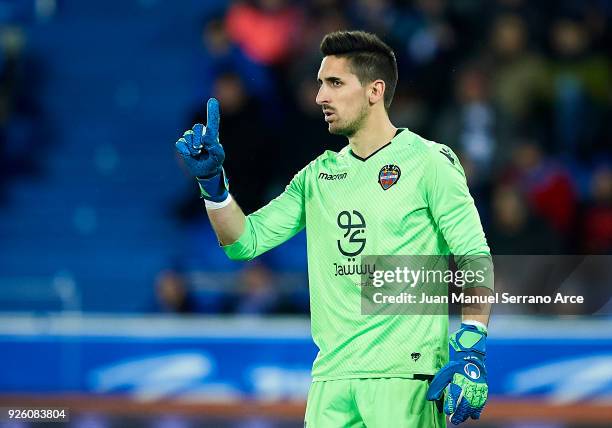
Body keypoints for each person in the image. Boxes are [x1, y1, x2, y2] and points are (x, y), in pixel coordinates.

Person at [175, 30, 493, 427]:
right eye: (320, 83)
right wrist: (213, 188)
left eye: (335, 83)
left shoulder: (430, 162)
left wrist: (471, 346)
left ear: (375, 90)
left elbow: (473, 255)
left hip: (404, 379)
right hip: (330, 381)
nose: (320, 97)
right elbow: (243, 242)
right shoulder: (317, 178)